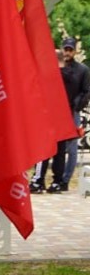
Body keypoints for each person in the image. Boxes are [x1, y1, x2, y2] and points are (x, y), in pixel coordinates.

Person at [47, 37, 90, 193]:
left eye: (70, 49)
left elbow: (86, 91)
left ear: (75, 51)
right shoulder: (54, 68)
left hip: (72, 112)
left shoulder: (82, 70)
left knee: (71, 148)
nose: (68, 52)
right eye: (65, 49)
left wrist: (76, 106)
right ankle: (55, 179)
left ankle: (65, 180)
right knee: (55, 146)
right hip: (55, 112)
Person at [29, 49, 66, 194]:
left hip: (50, 116)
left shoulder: (49, 75)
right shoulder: (70, 74)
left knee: (44, 150)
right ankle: (57, 181)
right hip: (62, 117)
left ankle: (38, 180)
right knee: (59, 152)